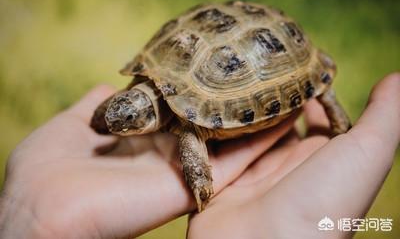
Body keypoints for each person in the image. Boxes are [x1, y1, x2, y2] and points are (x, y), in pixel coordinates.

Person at [0, 73, 398, 239]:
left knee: (190, 134)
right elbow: (113, 113)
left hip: (256, 66)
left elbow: (189, 133)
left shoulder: (188, 126)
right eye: (122, 112)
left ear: (151, 113)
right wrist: (30, 218)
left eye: (132, 118)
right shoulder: (135, 103)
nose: (123, 121)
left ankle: (322, 93)